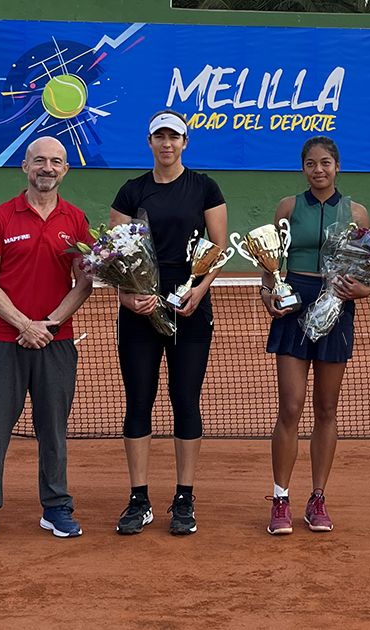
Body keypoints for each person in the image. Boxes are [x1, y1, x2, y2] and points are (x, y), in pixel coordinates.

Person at [0, 136, 94, 544]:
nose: (47, 168)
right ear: (25, 167)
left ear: (65, 170)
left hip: (56, 344)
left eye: (55, 162)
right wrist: (24, 325)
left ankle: (56, 508)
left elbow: (84, 283)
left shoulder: (76, 220)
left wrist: (49, 324)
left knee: (53, 429)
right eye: (39, 161)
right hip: (4, 342)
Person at [110, 110, 228, 536]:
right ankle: (138, 498)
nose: (166, 143)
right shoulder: (131, 191)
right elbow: (115, 257)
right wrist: (127, 295)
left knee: (185, 401)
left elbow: (217, 247)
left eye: (173, 137)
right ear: (150, 141)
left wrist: (198, 291)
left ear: (185, 142)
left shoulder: (205, 187)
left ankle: (184, 497)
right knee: (139, 401)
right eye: (159, 136)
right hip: (139, 314)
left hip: (190, 311)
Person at [263, 136, 370, 535]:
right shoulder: (288, 208)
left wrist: (359, 290)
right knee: (290, 408)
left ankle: (318, 498)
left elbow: (365, 275)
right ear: (303, 168)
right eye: (311, 163)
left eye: (326, 163)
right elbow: (269, 264)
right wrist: (266, 293)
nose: (319, 170)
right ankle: (280, 498)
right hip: (294, 305)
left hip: (336, 306)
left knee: (327, 409)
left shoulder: (356, 213)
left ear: (337, 166)